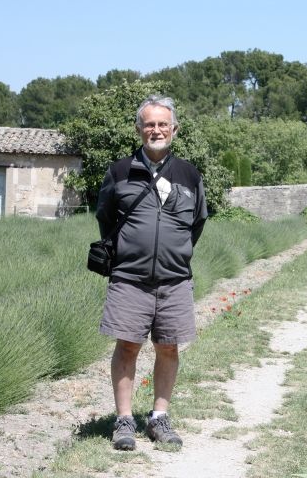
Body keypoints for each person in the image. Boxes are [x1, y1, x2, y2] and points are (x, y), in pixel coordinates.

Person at [95, 95, 208, 451]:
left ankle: (159, 418)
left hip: (174, 280)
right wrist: (131, 250)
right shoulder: (119, 171)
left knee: (169, 347)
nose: (155, 130)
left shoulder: (190, 174)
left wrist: (174, 252)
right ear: (139, 129)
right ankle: (124, 420)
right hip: (129, 278)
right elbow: (105, 218)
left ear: (174, 129)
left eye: (162, 124)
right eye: (149, 124)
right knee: (127, 346)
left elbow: (198, 222)